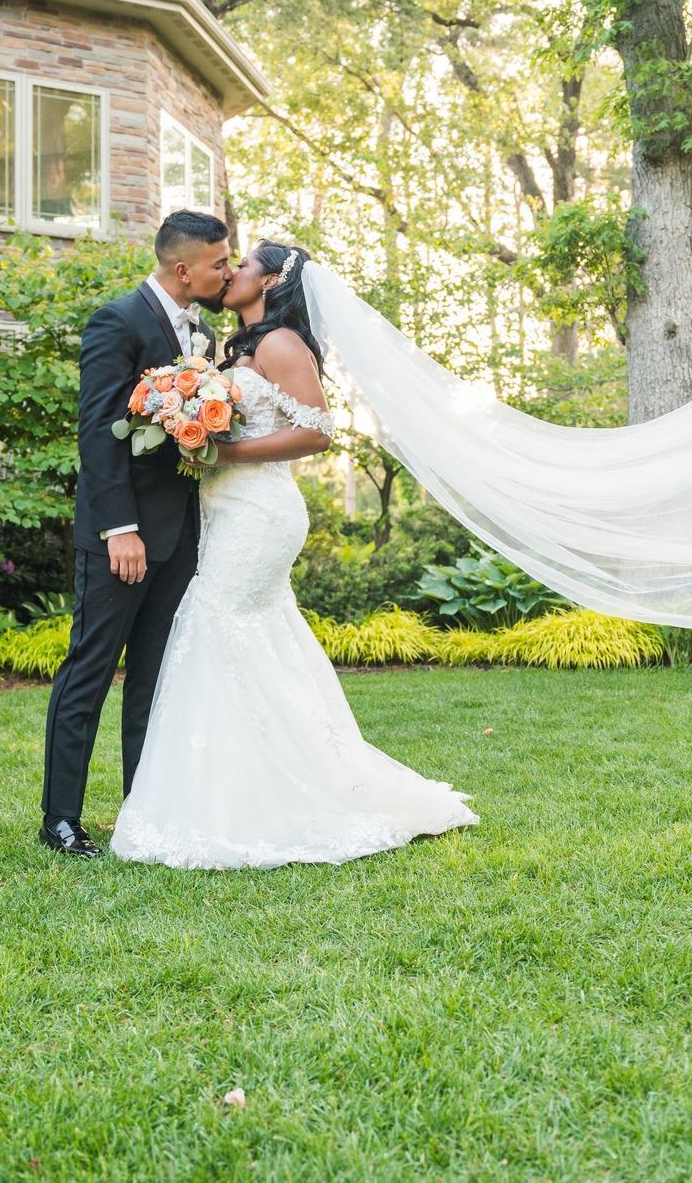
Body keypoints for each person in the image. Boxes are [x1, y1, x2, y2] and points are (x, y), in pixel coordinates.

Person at [108, 242, 479, 869]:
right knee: (245, 636)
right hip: (223, 508)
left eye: (243, 265)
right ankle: (242, 786)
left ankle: (254, 799)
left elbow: (317, 431)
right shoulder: (236, 347)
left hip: (260, 511)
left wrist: (223, 453)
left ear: (271, 281)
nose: (231, 273)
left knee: (217, 623)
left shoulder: (281, 343)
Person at [38, 210, 229, 857]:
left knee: (154, 676)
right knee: (90, 670)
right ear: (183, 269)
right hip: (121, 537)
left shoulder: (203, 331)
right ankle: (60, 819)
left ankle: (141, 811)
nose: (226, 272)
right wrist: (120, 528)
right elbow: (98, 432)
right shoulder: (116, 321)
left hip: (180, 534)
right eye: (218, 263)